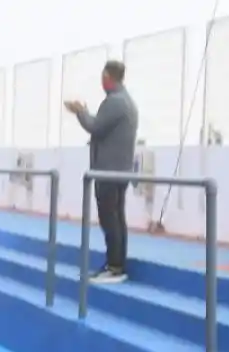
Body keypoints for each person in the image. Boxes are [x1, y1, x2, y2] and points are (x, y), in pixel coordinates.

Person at [65, 59, 138, 284]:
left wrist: (80, 111)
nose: (101, 81)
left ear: (109, 77)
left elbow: (95, 126)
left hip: (109, 171)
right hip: (119, 170)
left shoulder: (115, 102)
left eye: (103, 77)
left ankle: (115, 266)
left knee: (110, 218)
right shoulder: (126, 101)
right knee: (116, 217)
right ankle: (115, 264)